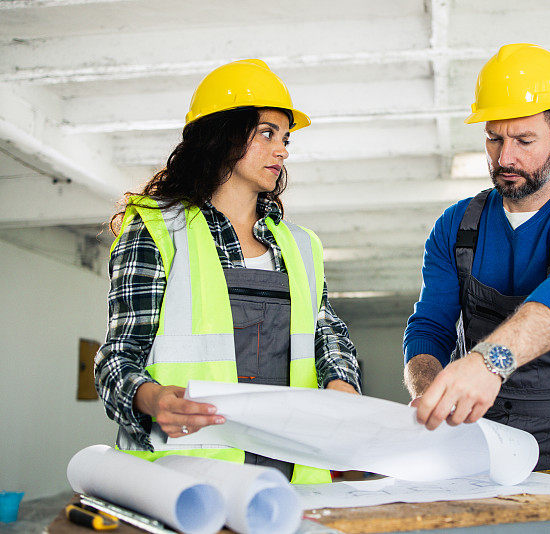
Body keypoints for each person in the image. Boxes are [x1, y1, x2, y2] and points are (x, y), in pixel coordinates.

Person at [95, 59, 361, 484]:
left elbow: (326, 334)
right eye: (267, 134)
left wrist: (341, 382)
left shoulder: (301, 245)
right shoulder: (157, 230)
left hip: (293, 480)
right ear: (222, 135)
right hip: (186, 481)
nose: (283, 150)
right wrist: (152, 398)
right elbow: (116, 358)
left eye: (286, 138)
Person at [403, 44, 550, 470]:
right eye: (494, 138)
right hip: (487, 434)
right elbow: (430, 325)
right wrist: (426, 390)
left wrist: (488, 364)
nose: (504, 157)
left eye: (524, 141)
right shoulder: (456, 227)